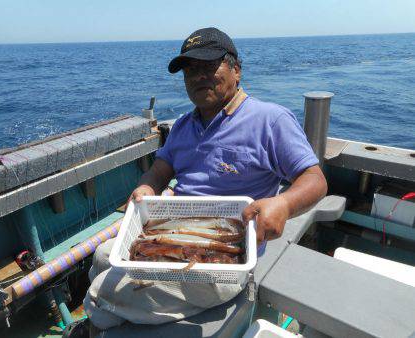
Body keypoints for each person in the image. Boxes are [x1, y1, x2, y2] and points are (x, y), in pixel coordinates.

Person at [81, 27, 327, 334]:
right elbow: (160, 169)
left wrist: (284, 203)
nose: (198, 77)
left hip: (224, 259)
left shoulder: (271, 120)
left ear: (236, 70)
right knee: (103, 256)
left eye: (208, 66)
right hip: (176, 232)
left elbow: (315, 179)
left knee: (97, 298)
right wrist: (147, 186)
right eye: (190, 71)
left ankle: (103, 322)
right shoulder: (184, 125)